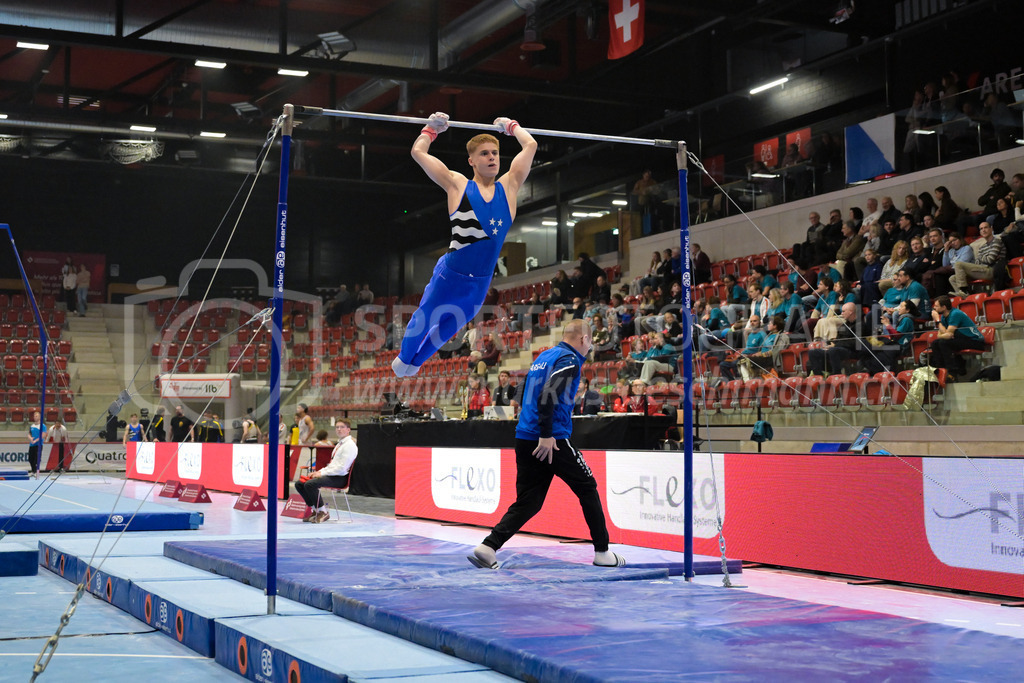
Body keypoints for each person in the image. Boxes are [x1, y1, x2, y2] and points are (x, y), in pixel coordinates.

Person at [468, 319, 624, 570]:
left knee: (530, 500)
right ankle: (602, 552)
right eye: (591, 340)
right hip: (551, 439)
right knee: (588, 487)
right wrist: (546, 434)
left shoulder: (544, 357)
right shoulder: (569, 359)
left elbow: (525, 393)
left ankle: (488, 546)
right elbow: (546, 395)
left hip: (524, 436)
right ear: (584, 339)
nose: (591, 345)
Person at [393, 112, 537, 377]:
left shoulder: (510, 186)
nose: (492, 157)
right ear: (471, 161)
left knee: (447, 330)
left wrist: (512, 127)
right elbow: (418, 153)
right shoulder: (458, 184)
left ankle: (413, 365)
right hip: (450, 275)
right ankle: (404, 358)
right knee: (425, 320)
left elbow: (530, 146)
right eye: (484, 153)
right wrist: (430, 130)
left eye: (495, 152)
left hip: (479, 283)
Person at [295, 418, 357, 524]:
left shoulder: (349, 445)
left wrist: (321, 473)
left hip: (340, 478)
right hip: (333, 475)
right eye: (337, 427)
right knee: (299, 484)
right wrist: (318, 472)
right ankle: (316, 510)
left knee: (310, 484)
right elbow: (332, 465)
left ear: (348, 430)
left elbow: (341, 468)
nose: (339, 429)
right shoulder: (339, 444)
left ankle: (323, 512)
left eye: (342, 427)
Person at [928, 296, 986, 381]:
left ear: (944, 307)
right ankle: (941, 370)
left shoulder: (955, 314)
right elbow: (942, 335)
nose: (934, 308)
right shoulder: (944, 316)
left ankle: (952, 372)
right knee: (935, 343)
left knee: (943, 343)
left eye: (936, 306)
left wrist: (937, 320)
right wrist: (943, 333)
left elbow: (948, 335)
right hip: (961, 339)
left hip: (975, 341)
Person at [949, 222, 1004, 297]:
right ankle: (966, 297)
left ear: (991, 229)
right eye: (981, 229)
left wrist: (982, 258)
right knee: (952, 278)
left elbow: (989, 260)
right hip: (982, 269)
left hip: (992, 270)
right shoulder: (982, 247)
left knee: (958, 264)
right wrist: (984, 258)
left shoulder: (997, 241)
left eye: (986, 227)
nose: (983, 230)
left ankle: (963, 291)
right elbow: (978, 261)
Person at [28, 411, 46, 478]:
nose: (35, 417)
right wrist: (30, 438)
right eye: (34, 416)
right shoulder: (32, 426)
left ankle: (35, 471)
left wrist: (36, 440)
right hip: (32, 444)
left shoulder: (42, 426)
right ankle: (33, 470)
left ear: (39, 417)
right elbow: (29, 433)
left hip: (38, 444)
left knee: (36, 459)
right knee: (30, 459)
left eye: (36, 416)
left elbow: (43, 435)